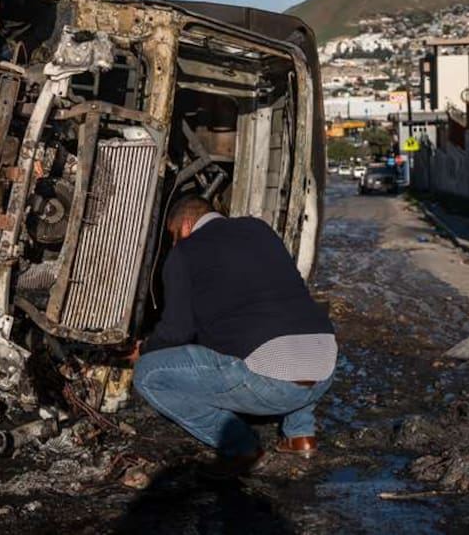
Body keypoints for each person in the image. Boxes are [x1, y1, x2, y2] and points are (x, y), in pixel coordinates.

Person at [133, 196, 337, 477]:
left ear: (186, 225)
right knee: (286, 330)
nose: (174, 244)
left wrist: (144, 349)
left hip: (275, 385)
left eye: (173, 235)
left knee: (147, 374)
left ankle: (243, 447)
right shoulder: (260, 230)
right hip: (325, 366)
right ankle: (300, 435)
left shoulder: (184, 253)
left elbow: (176, 332)